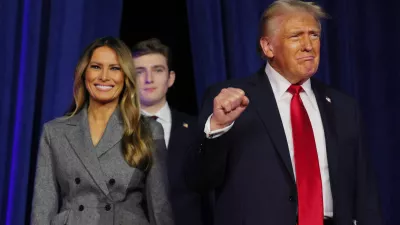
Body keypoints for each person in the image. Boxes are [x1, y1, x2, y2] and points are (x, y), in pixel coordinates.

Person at [185, 1, 383, 225]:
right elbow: (198, 180)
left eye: (314, 35)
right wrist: (218, 128)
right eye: (296, 36)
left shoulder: (343, 106)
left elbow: (365, 193)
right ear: (268, 47)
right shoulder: (232, 101)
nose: (308, 45)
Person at [31, 37, 174, 225]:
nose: (104, 76)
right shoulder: (54, 132)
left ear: (125, 76)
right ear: (84, 73)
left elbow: (159, 207)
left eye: (115, 68)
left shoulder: (147, 130)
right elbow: (42, 209)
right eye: (96, 67)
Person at [132, 38, 211, 225]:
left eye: (157, 70)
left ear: (171, 78)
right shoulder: (114, 131)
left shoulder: (198, 129)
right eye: (139, 72)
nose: (149, 79)